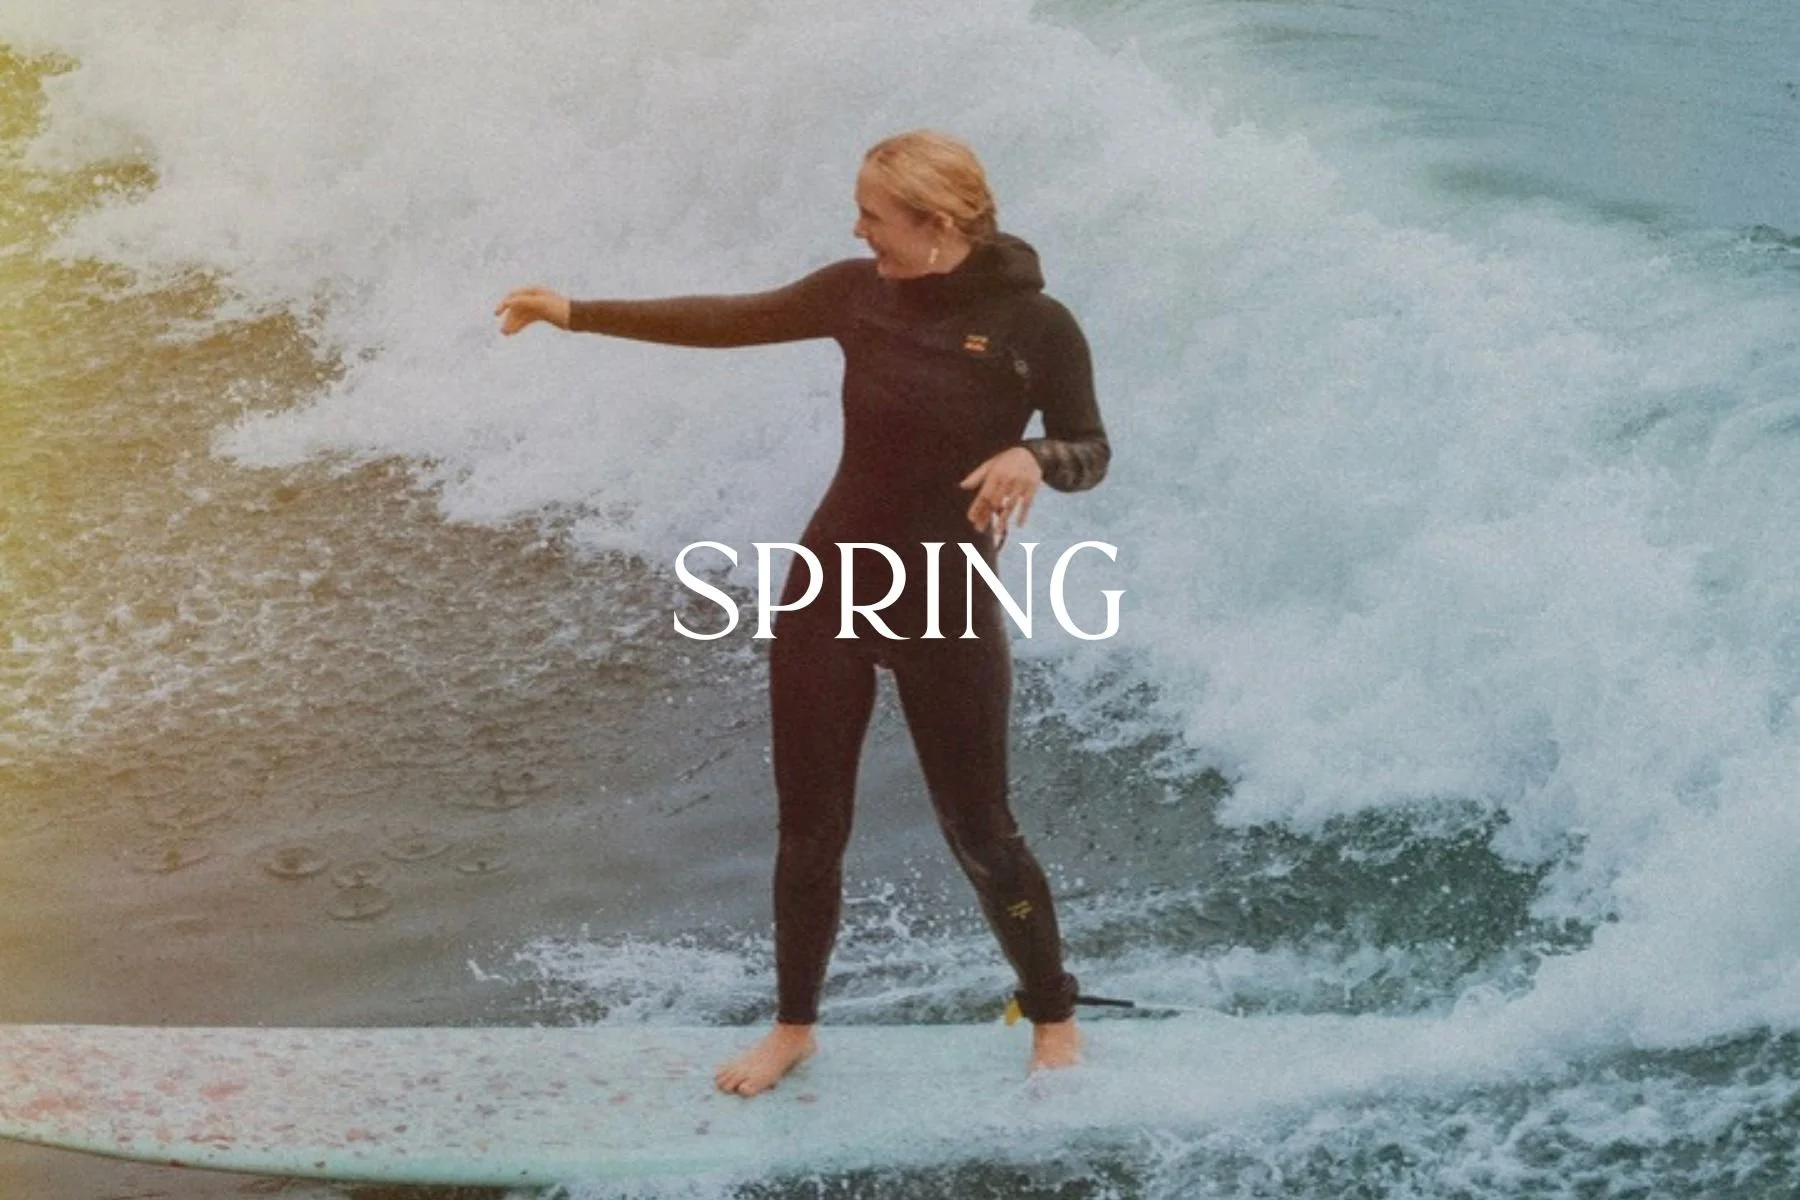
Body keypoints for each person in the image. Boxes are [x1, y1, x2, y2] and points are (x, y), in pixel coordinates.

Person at [495, 130, 1110, 1096]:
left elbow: (1090, 446)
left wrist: (1035, 456)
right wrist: (575, 312)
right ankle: (794, 1028)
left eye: (873, 214)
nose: (857, 227)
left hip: (943, 597)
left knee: (981, 831)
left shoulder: (1037, 326)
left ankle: (1053, 1015)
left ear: (937, 225)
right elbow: (733, 319)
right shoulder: (856, 291)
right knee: (809, 828)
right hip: (828, 582)